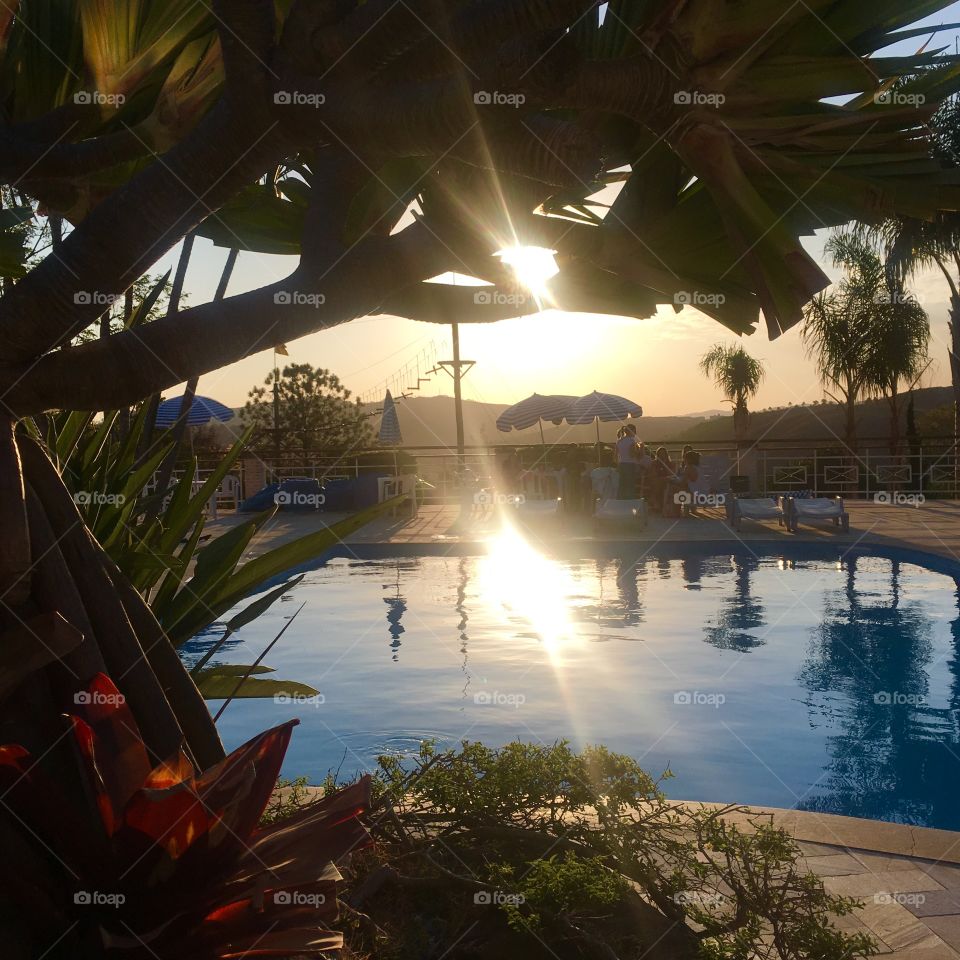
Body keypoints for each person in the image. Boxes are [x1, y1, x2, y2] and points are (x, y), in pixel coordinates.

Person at [615, 422, 641, 499]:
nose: (635, 433)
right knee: (630, 484)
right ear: (631, 431)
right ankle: (630, 500)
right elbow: (632, 454)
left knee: (622, 484)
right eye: (634, 431)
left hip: (621, 464)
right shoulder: (631, 441)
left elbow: (615, 455)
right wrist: (639, 450)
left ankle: (620, 500)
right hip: (630, 465)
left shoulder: (619, 441)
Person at [649, 446, 676, 514]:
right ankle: (657, 504)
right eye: (660, 454)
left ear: (666, 455)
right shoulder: (654, 463)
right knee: (657, 482)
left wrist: (664, 465)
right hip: (658, 481)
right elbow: (654, 474)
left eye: (663, 454)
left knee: (663, 482)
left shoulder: (671, 464)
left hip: (668, 481)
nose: (662, 456)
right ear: (657, 455)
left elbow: (672, 474)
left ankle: (657, 504)